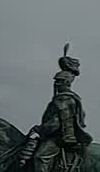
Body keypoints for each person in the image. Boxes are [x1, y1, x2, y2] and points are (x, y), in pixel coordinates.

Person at [18, 44, 93, 172]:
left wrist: (39, 129)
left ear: (66, 82)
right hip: (53, 135)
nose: (56, 84)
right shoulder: (66, 98)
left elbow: (56, 123)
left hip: (58, 138)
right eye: (56, 81)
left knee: (40, 157)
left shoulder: (64, 99)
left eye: (59, 81)